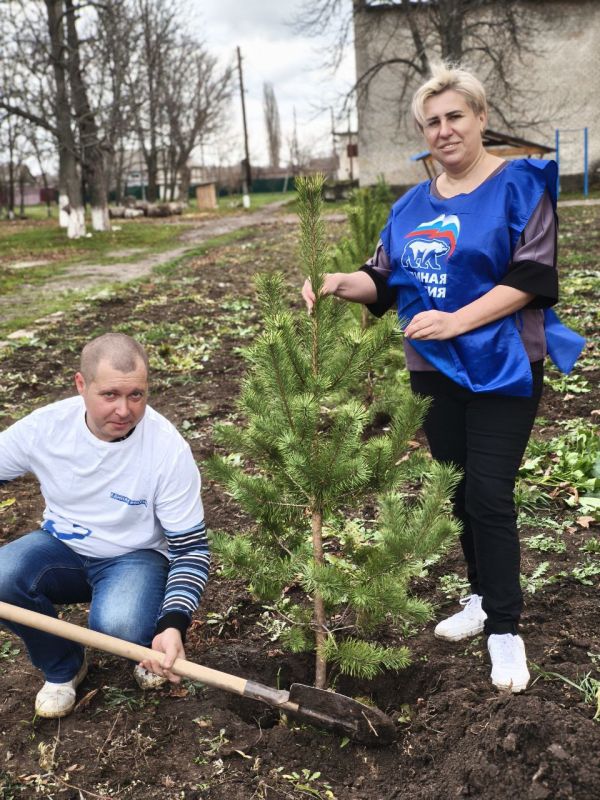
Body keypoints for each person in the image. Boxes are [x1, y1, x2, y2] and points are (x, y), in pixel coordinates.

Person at [302, 64, 584, 693]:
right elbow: (382, 276)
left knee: (490, 491)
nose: (444, 129)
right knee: (457, 489)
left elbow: (534, 276)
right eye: (432, 121)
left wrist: (457, 320)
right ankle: (482, 596)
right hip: (434, 369)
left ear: (481, 118)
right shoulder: (411, 206)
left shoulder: (519, 186)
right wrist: (339, 283)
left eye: (456, 115)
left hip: (505, 363)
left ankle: (505, 629)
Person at [0, 333, 209, 718]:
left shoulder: (166, 450)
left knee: (117, 625)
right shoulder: (46, 428)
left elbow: (191, 549)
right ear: (82, 385)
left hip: (135, 557)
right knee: (2, 576)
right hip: (62, 549)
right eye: (110, 395)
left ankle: (146, 644)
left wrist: (175, 623)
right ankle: (63, 666)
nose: (125, 410)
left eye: (137, 396)